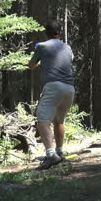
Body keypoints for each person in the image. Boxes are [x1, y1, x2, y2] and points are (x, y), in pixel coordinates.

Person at [29, 20, 75, 170]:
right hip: (69, 88)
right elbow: (69, 60)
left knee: (42, 120)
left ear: (46, 33)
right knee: (59, 121)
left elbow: (31, 65)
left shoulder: (41, 46)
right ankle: (60, 152)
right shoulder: (67, 47)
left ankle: (50, 155)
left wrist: (38, 54)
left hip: (53, 86)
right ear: (60, 32)